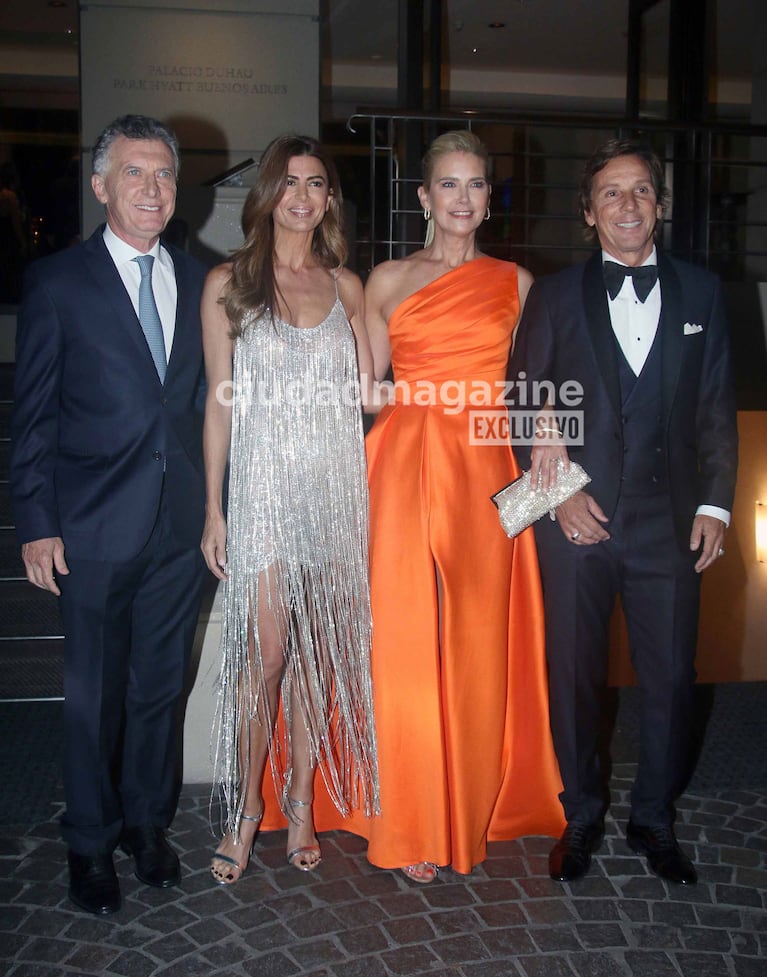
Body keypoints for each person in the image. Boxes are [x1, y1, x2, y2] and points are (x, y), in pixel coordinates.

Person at [510, 138, 738, 885]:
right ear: (587, 213)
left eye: (640, 190)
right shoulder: (550, 295)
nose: (628, 205)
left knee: (671, 677)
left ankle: (652, 818)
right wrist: (558, 493)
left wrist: (714, 502)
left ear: (660, 204)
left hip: (667, 523)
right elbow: (519, 404)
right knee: (571, 672)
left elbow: (713, 407)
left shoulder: (703, 292)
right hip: (573, 521)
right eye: (610, 193)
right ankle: (579, 813)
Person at [340, 130, 564, 883]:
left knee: (474, 634)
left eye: (475, 186)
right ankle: (407, 812)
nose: (463, 198)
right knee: (402, 635)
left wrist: (552, 483)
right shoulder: (386, 279)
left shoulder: (517, 281)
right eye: (449, 184)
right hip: (402, 461)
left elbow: (536, 393)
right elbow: (368, 389)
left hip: (485, 468)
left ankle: (465, 803)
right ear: (423, 196)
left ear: (486, 199)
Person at [10, 115, 207, 915]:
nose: (153, 189)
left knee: (160, 686)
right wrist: (34, 519)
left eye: (163, 174)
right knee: (93, 695)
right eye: (135, 173)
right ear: (100, 186)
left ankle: (146, 825)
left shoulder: (202, 280)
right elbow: (35, 415)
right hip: (90, 525)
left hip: (179, 525)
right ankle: (89, 842)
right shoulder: (58, 281)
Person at [201, 134, 379, 885]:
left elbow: (373, 396)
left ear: (329, 199)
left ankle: (301, 801)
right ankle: (248, 808)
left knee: (313, 660)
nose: (303, 195)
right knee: (264, 659)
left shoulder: (346, 286)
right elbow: (218, 406)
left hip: (334, 490)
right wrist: (213, 509)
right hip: (264, 492)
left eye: (316, 183)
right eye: (290, 182)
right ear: (267, 194)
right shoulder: (228, 283)